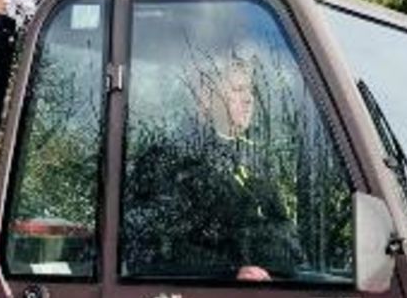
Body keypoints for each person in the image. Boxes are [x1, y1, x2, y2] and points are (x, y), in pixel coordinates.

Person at [122, 50, 305, 281]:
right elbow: (153, 248)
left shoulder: (260, 161)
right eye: (237, 90)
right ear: (205, 97)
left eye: (250, 90)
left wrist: (274, 270)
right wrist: (229, 272)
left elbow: (282, 232)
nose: (249, 98)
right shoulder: (170, 158)